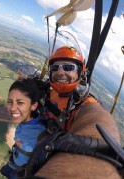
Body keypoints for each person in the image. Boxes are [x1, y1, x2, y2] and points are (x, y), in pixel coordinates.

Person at [31, 46, 122, 178]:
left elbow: (97, 117)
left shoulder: (85, 103)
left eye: (68, 68)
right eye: (55, 68)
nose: (60, 72)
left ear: (81, 73)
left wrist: (98, 150)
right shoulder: (48, 91)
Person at [0, 78, 46, 179]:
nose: (12, 108)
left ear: (33, 106)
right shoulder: (25, 122)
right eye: (10, 102)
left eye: (20, 103)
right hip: (14, 165)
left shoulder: (39, 134)